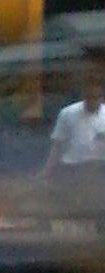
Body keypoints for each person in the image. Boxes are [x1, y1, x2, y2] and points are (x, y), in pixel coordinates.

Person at [44, 62, 105, 222]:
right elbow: (57, 145)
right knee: (75, 211)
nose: (93, 101)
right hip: (74, 169)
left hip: (100, 169)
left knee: (98, 210)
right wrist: (47, 171)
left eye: (96, 97)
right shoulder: (68, 113)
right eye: (89, 97)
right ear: (84, 94)